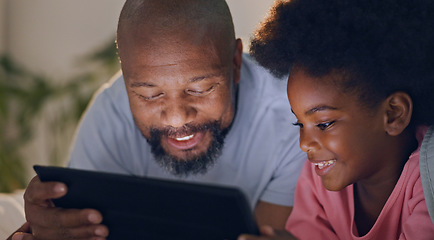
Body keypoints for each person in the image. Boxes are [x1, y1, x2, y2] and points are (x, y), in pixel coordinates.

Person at [9, 0, 306, 239]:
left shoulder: (293, 115)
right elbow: (88, 226)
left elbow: (257, 234)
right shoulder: (111, 114)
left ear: (235, 63)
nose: (177, 118)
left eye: (200, 89)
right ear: (124, 79)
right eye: (149, 95)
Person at [239, 0, 434, 239]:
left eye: (323, 124)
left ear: (393, 114)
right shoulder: (317, 178)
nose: (304, 144)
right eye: (299, 124)